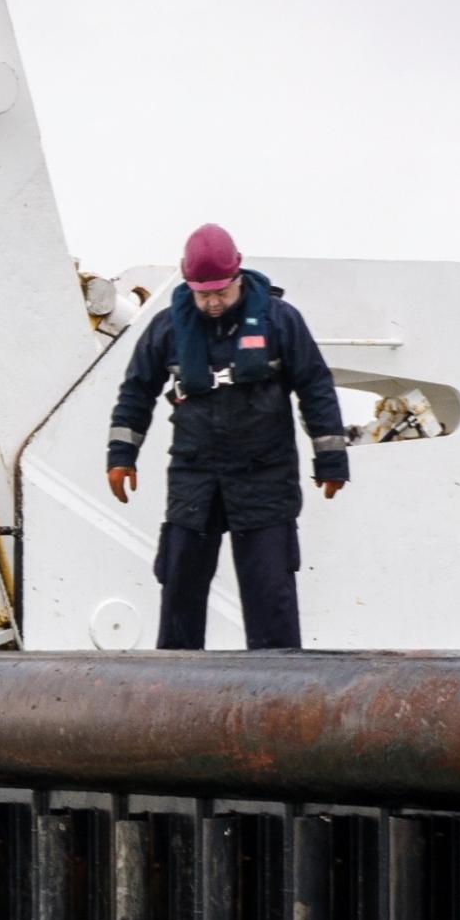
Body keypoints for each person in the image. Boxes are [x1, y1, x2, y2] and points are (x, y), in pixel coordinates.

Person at [105, 223, 349, 649]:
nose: (213, 303)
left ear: (238, 278)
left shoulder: (280, 322)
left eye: (221, 292)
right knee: (180, 584)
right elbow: (136, 391)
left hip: (265, 478)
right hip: (194, 477)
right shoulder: (167, 328)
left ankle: (277, 690)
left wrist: (330, 459)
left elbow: (315, 386)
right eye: (203, 295)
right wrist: (121, 455)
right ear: (188, 286)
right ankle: (176, 689)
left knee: (270, 592)